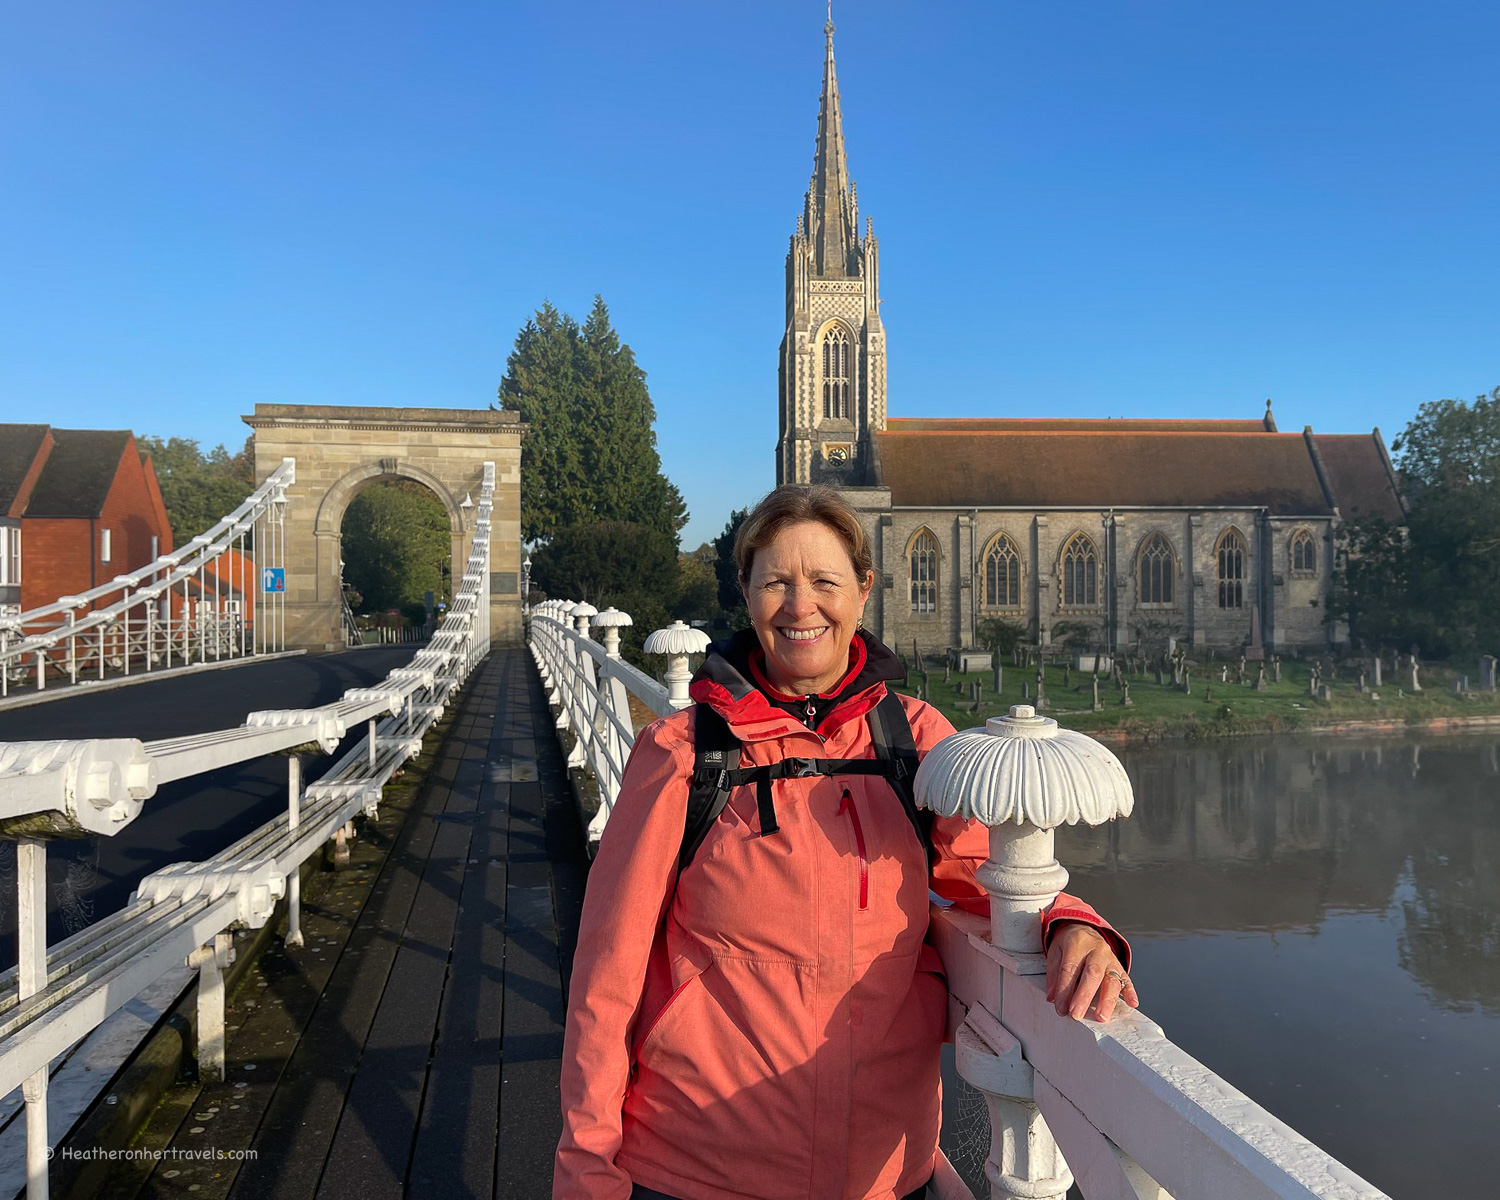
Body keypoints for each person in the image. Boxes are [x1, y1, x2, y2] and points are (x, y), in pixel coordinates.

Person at [555, 485, 1135, 1200]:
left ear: (863, 590)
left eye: (825, 581)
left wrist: (1070, 923)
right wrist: (586, 1171)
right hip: (699, 1169)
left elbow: (992, 872)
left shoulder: (915, 740)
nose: (802, 606)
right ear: (746, 592)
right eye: (776, 582)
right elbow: (604, 978)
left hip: (882, 1175)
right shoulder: (682, 751)